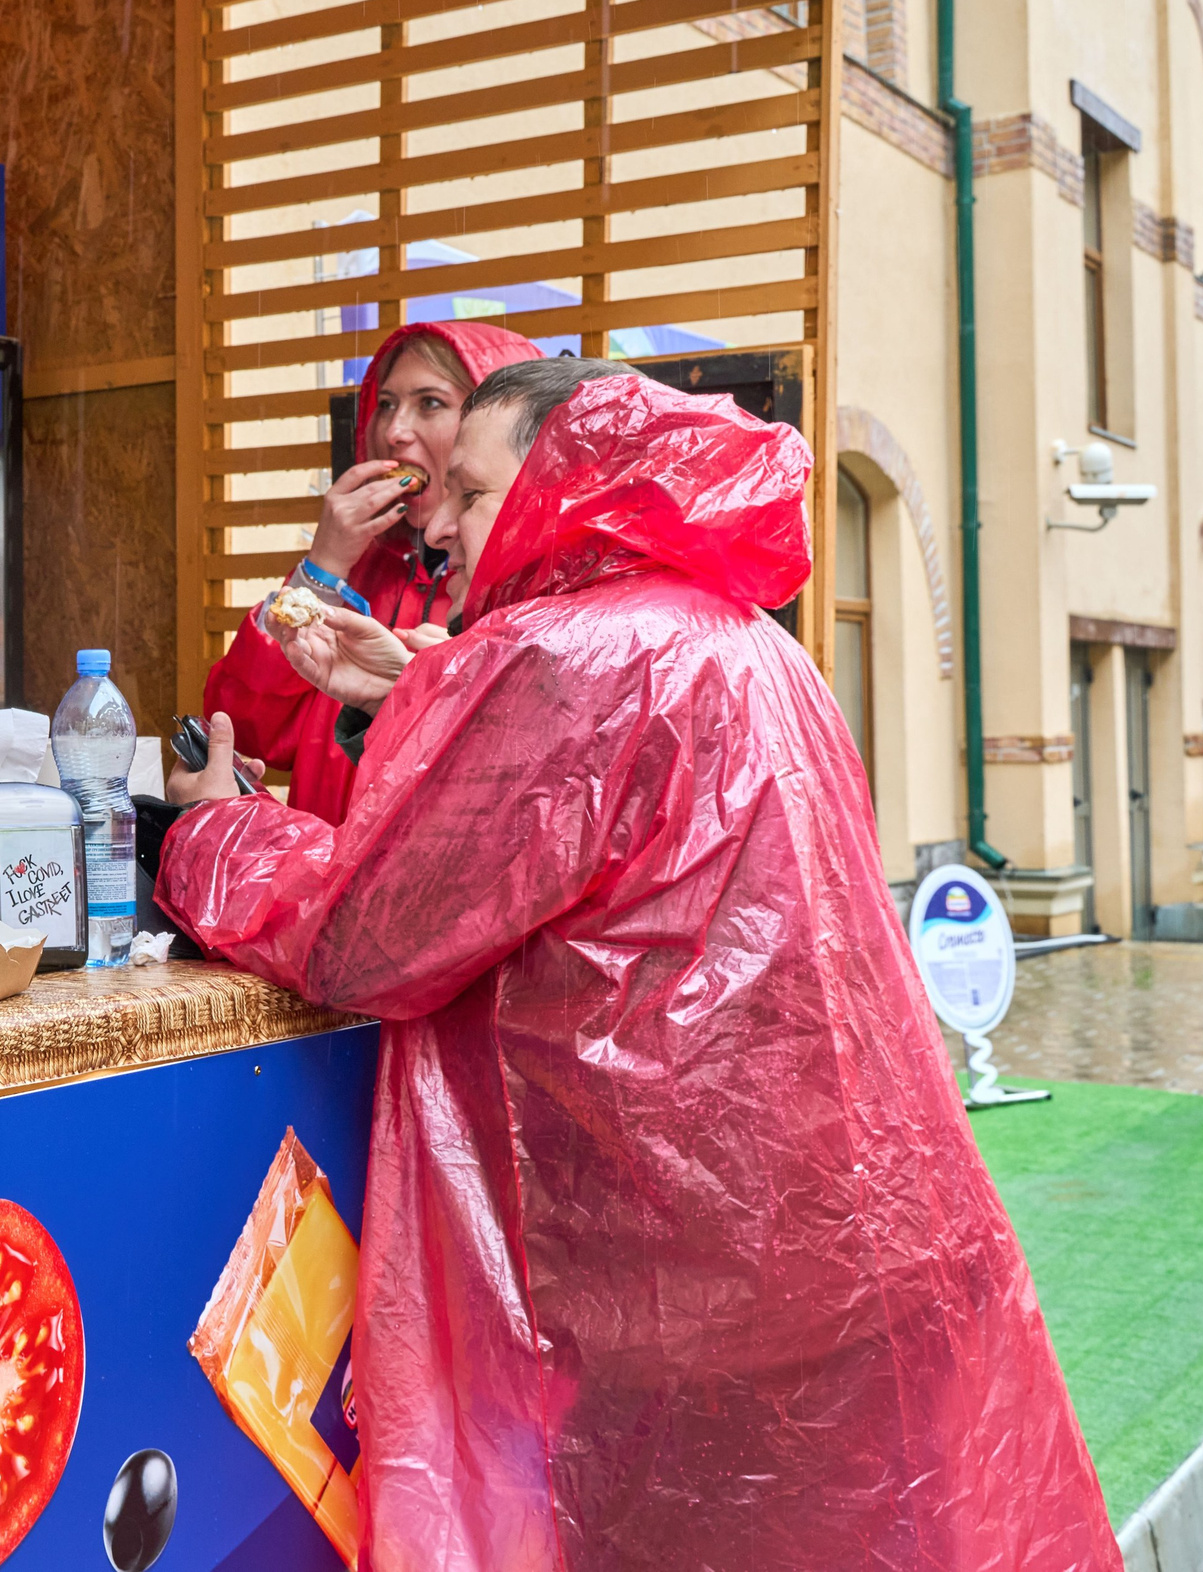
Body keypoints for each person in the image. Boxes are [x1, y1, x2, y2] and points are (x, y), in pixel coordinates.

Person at [162, 360, 1115, 1567]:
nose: (439, 521)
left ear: (573, 485)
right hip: (850, 1242)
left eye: (470, 488)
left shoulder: (562, 656)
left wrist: (212, 831)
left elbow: (365, 937)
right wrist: (438, 682)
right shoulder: (742, 638)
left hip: (701, 1286)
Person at [199, 320, 540, 822]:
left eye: (430, 403)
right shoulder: (360, 570)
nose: (393, 431)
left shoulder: (530, 590)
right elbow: (247, 730)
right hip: (319, 879)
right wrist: (323, 567)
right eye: (385, 404)